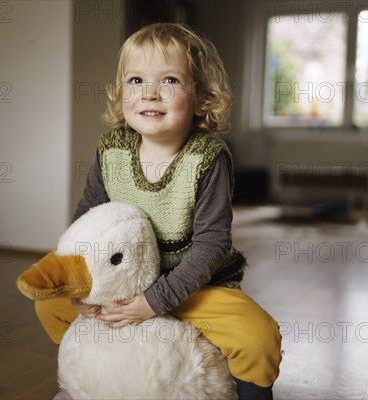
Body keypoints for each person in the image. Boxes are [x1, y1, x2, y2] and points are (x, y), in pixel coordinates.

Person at [35, 22, 282, 400]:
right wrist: (81, 283)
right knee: (50, 306)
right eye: (135, 80)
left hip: (195, 283)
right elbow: (87, 219)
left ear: (200, 98)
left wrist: (155, 301)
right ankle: (96, 369)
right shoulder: (111, 150)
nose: (149, 92)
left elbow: (211, 246)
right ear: (120, 96)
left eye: (168, 80)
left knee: (258, 335)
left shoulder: (207, 158)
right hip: (123, 280)